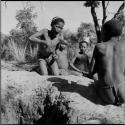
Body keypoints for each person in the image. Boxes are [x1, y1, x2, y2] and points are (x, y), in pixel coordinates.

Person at [89, 19, 125, 105]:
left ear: (105, 32)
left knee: (94, 82)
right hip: (123, 92)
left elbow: (91, 72)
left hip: (108, 95)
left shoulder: (99, 46)